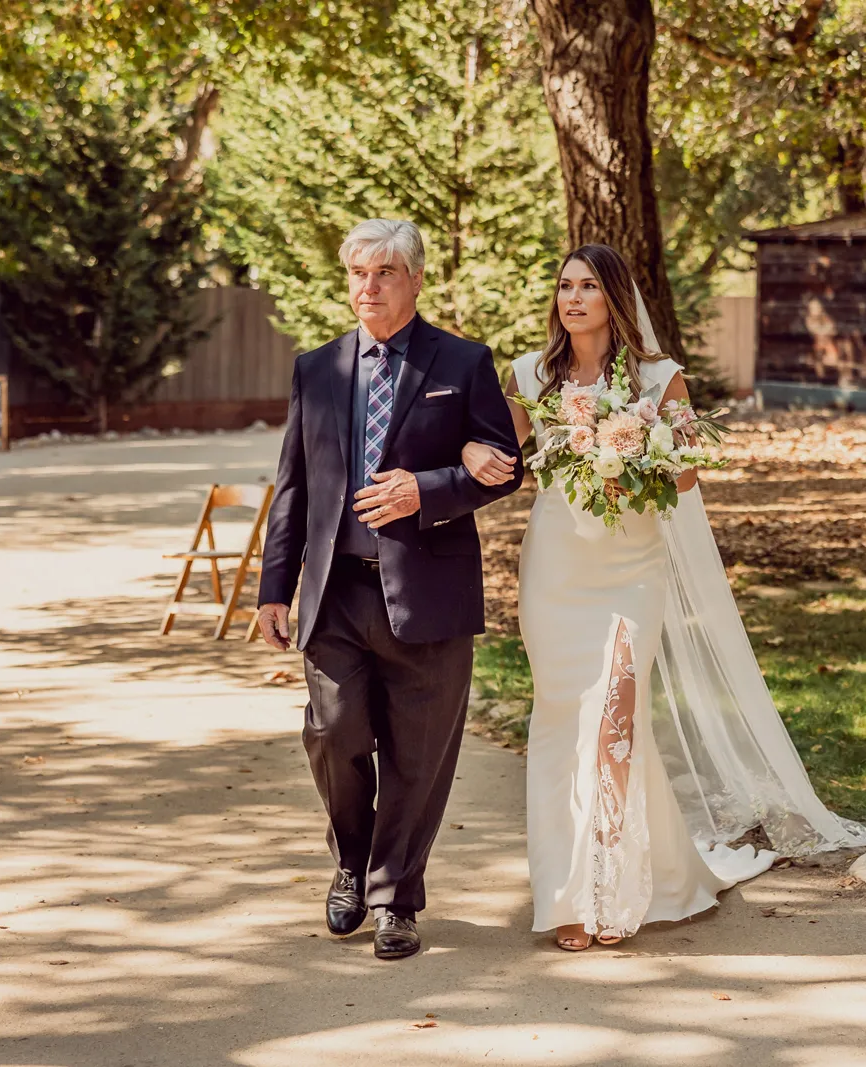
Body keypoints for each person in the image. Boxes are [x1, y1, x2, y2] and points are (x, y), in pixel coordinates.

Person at [462, 244, 866, 950]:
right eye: (565, 285)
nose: (573, 297)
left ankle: (612, 890)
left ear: (615, 297)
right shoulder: (532, 375)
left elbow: (686, 479)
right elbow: (498, 454)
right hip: (556, 572)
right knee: (565, 725)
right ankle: (567, 895)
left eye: (588, 285)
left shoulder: (660, 378)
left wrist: (634, 458)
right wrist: (474, 452)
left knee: (615, 722)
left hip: (632, 572)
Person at [256, 219, 524, 960]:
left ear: (414, 279)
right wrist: (273, 589)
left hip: (428, 595)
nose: (367, 288)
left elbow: (507, 466)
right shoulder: (317, 368)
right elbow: (293, 487)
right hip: (335, 593)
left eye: (383, 273)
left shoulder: (463, 362)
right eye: (356, 274)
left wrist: (427, 490)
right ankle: (352, 859)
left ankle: (395, 899)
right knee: (334, 735)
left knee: (418, 756)